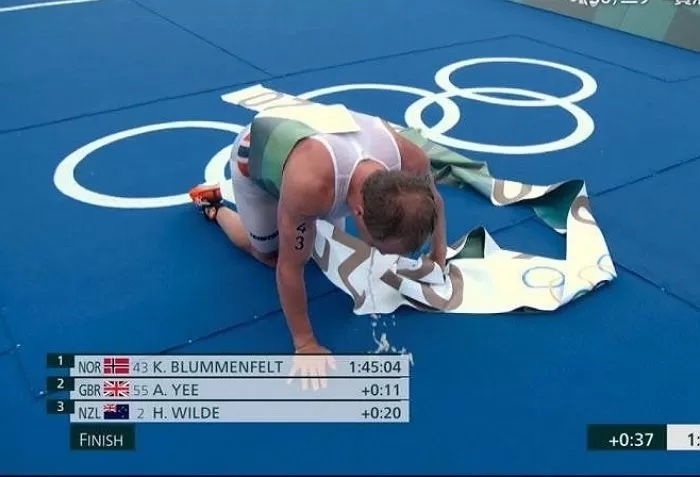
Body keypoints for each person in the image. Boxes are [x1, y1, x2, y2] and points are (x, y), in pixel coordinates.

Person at [188, 110, 447, 359]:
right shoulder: (311, 188)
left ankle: (291, 215)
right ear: (358, 212)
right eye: (380, 247)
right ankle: (213, 207)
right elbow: (289, 267)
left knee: (323, 245)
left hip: (318, 150)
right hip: (256, 150)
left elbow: (434, 201)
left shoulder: (412, 161)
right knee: (271, 255)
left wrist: (438, 254)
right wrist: (305, 343)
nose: (383, 255)